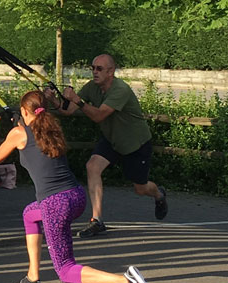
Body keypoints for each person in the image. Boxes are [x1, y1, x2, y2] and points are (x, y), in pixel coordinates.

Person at [0, 91, 161, 283]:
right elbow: (33, 141)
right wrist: (20, 125)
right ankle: (32, 277)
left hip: (55, 204)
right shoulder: (52, 129)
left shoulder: (18, 133)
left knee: (66, 270)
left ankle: (127, 281)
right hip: (76, 196)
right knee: (30, 214)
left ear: (24, 111)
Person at [48, 54, 168, 238]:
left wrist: (78, 100)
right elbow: (69, 110)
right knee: (92, 166)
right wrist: (53, 100)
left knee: (140, 188)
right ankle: (96, 220)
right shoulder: (91, 87)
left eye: (99, 69)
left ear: (111, 72)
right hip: (111, 140)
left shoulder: (121, 90)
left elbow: (99, 116)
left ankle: (159, 194)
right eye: (93, 68)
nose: (94, 72)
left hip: (135, 143)